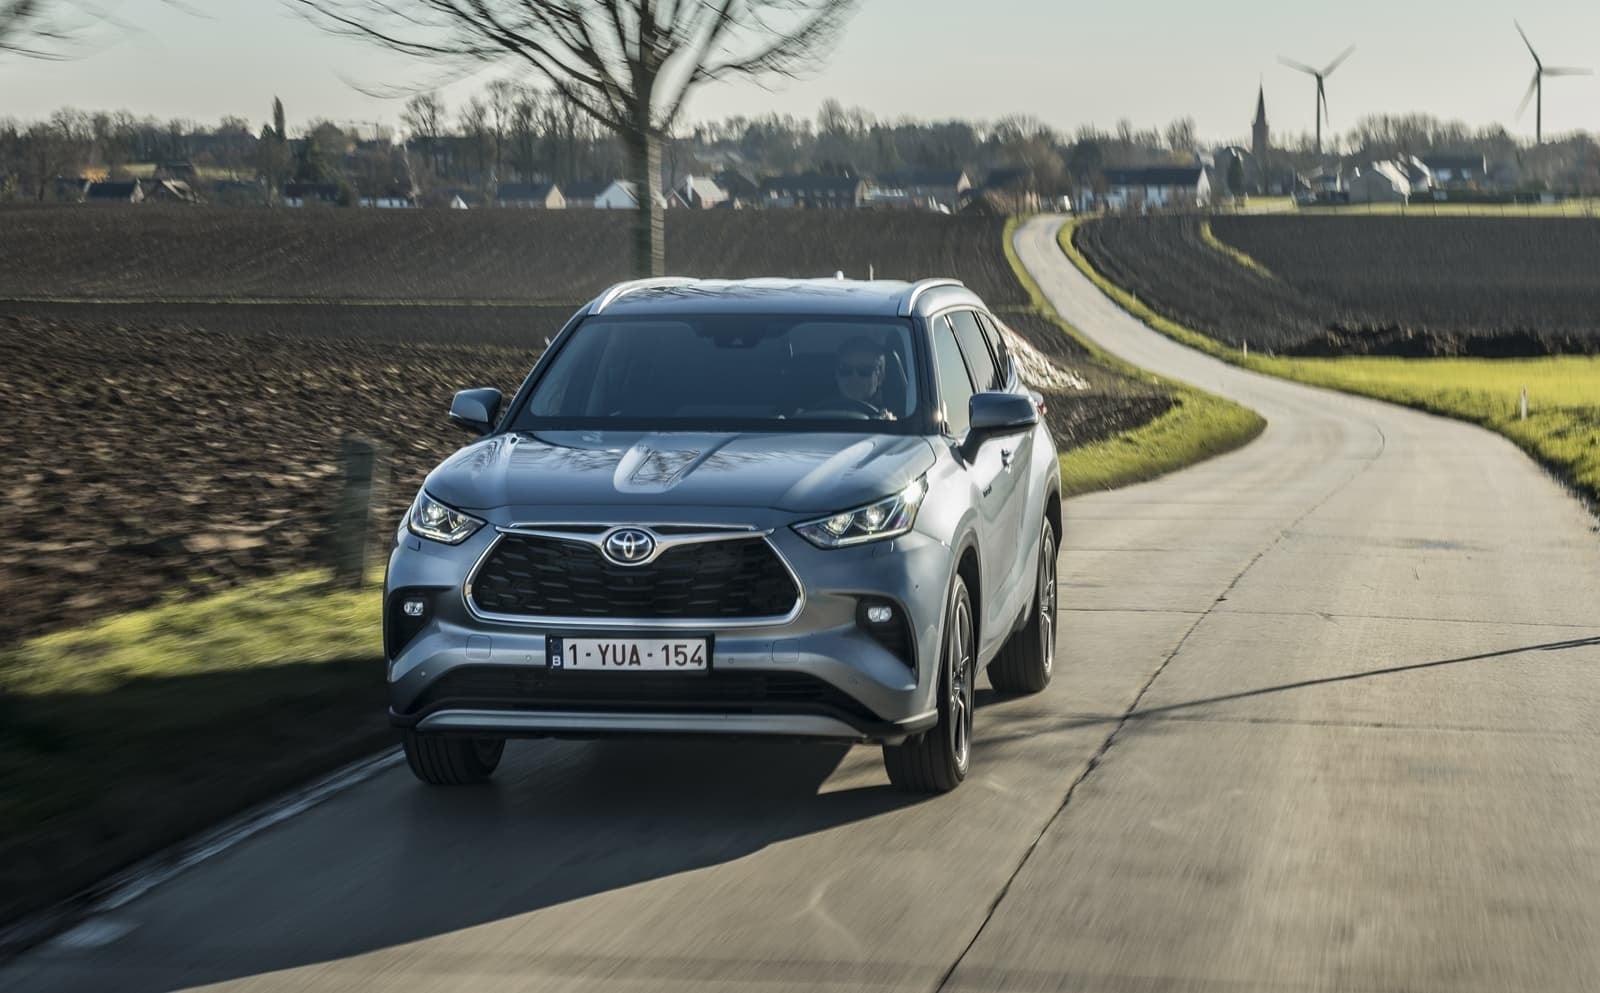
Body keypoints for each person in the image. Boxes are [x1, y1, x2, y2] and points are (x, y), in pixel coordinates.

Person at [806, 337, 895, 419]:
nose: (854, 377)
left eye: (864, 370)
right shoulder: (810, 416)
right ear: (836, 375)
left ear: (880, 377)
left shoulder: (895, 421)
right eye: (845, 370)